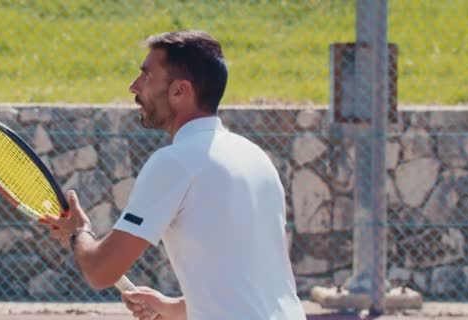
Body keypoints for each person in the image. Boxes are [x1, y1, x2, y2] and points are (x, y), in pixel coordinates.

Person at [40, 30, 306, 320]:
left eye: (146, 75)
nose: (134, 86)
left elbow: (101, 271)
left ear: (180, 91)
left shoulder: (174, 162)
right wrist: (170, 307)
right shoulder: (255, 157)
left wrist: (79, 233)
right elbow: (252, 285)